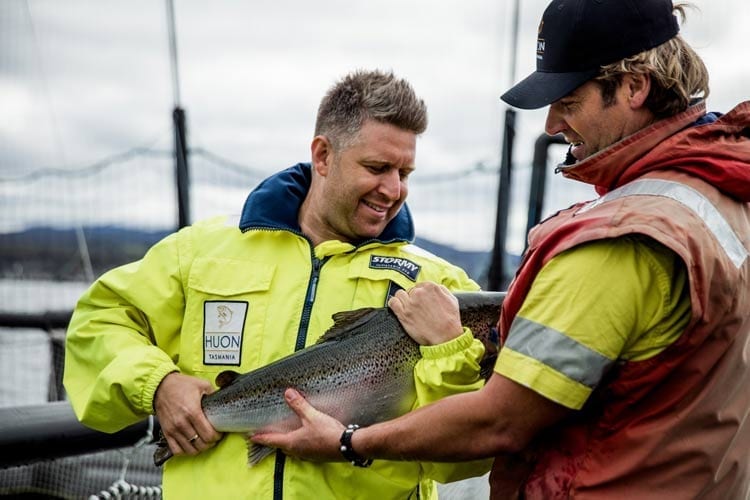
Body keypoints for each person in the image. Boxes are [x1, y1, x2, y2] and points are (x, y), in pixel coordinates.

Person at [251, 1, 750, 498]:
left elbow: (499, 422)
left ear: (633, 86)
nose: (553, 124)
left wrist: (346, 441)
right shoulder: (721, 198)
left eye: (568, 101)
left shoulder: (623, 237)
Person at [63, 69, 493, 499]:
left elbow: (472, 451)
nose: (394, 189)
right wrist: (157, 384)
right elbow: (99, 322)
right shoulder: (201, 252)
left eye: (405, 172)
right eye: (377, 167)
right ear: (323, 156)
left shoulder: (440, 287)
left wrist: (450, 347)